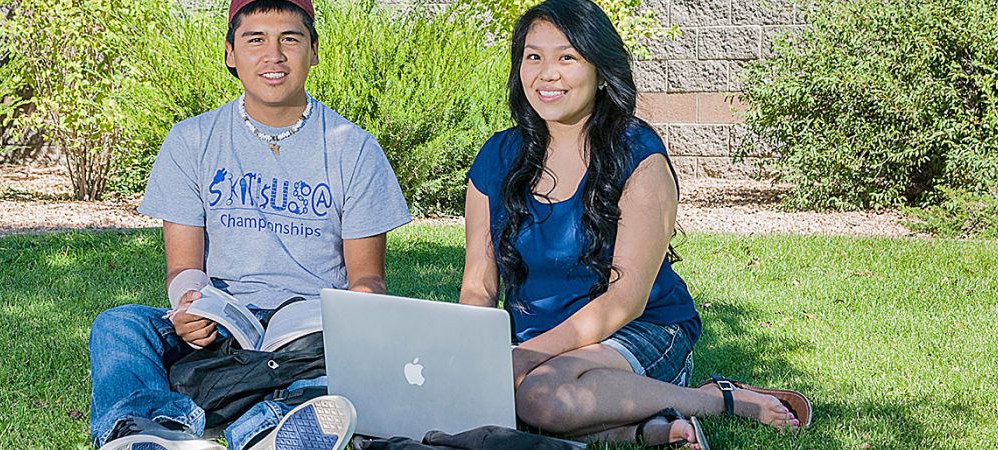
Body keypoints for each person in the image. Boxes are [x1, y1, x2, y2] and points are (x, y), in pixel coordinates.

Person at [457, 0, 813, 448]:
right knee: (518, 396)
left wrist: (523, 358)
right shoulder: (497, 157)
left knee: (540, 397)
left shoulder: (637, 156)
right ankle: (648, 430)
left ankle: (715, 399)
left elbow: (624, 301)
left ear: (601, 70)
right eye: (534, 56)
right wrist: (470, 355)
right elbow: (478, 286)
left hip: (640, 328)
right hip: (535, 345)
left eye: (567, 57)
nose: (547, 73)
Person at [87, 0, 412, 448]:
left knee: (345, 357)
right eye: (255, 39)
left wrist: (354, 318)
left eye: (290, 39)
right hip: (224, 321)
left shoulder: (352, 148)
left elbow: (367, 278)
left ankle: (271, 428)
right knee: (119, 326)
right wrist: (189, 305)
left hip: (310, 329)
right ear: (230, 53)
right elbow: (183, 266)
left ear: (314, 51)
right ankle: (150, 432)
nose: (273, 55)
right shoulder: (191, 139)